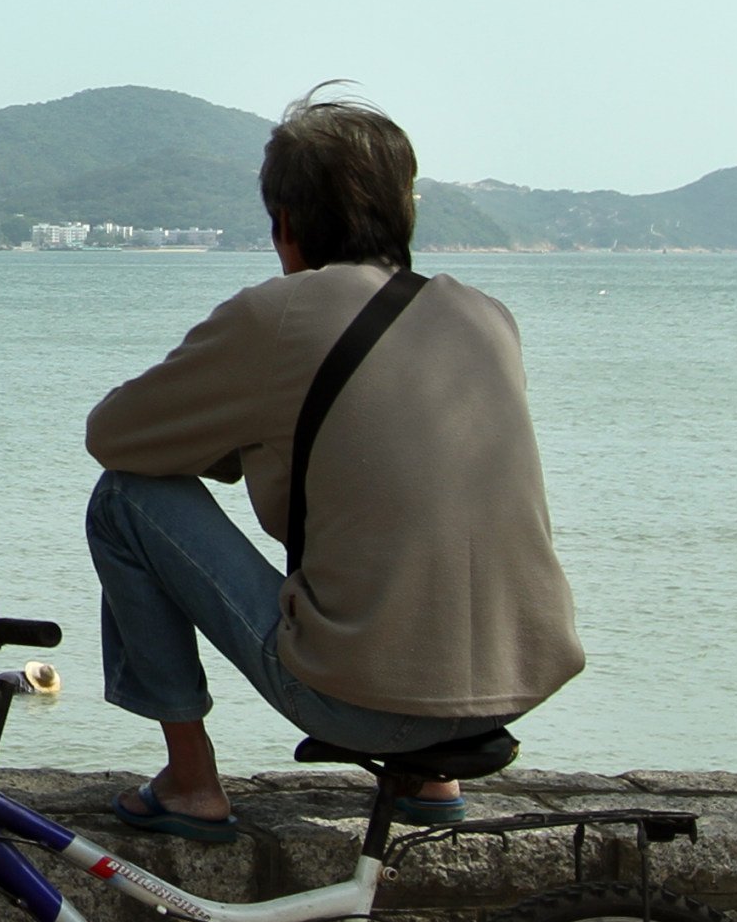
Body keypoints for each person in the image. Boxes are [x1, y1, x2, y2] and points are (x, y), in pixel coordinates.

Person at [79, 94, 581, 838]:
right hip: (514, 689)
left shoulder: (278, 314)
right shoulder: (486, 315)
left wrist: (236, 442)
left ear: (284, 222)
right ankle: (430, 781)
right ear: (403, 213)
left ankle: (190, 780)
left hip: (368, 707)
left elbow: (115, 436)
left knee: (123, 499)